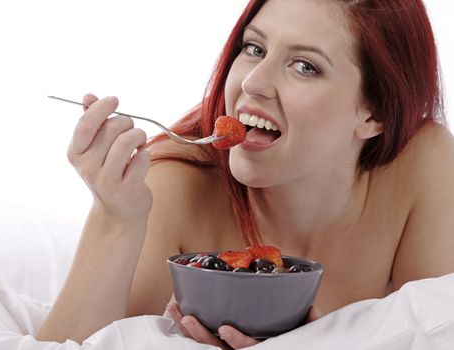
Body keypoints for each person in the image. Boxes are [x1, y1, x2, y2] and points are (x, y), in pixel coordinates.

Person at [36, 0, 454, 348]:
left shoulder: (423, 164)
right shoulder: (173, 183)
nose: (253, 82)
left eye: (305, 66)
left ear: (375, 112)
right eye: (254, 48)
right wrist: (114, 217)